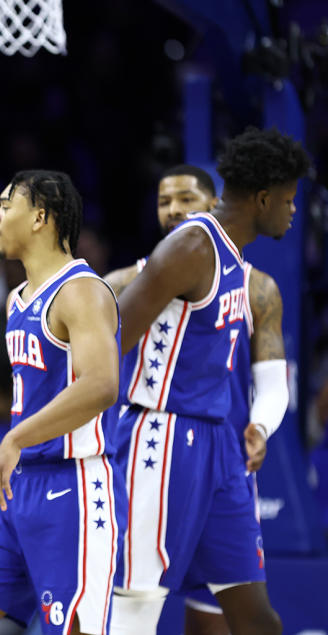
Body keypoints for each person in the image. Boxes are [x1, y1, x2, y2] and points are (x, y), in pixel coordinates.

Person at [109, 128, 309, 635]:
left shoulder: (246, 272)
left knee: (255, 616)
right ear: (263, 198)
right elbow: (112, 343)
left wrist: (259, 427)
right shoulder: (192, 247)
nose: (292, 211)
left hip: (220, 443)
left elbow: (269, 379)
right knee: (137, 604)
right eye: (288, 200)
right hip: (163, 436)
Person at [0, 170, 124, 635]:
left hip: (74, 489)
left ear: (40, 216)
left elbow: (101, 385)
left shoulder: (82, 291)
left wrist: (15, 439)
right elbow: (33, 400)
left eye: (5, 206)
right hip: (17, 495)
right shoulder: (16, 299)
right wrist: (8, 479)